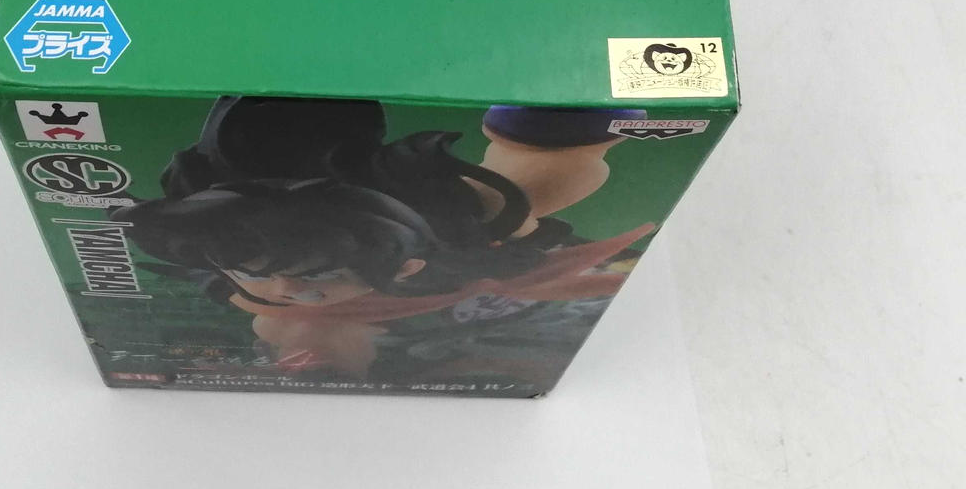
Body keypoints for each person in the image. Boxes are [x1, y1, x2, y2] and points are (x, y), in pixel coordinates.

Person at [115, 96, 651, 380]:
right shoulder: (254, 290)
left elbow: (556, 161)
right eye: (251, 272)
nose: (286, 289)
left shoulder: (465, 216)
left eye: (320, 276)